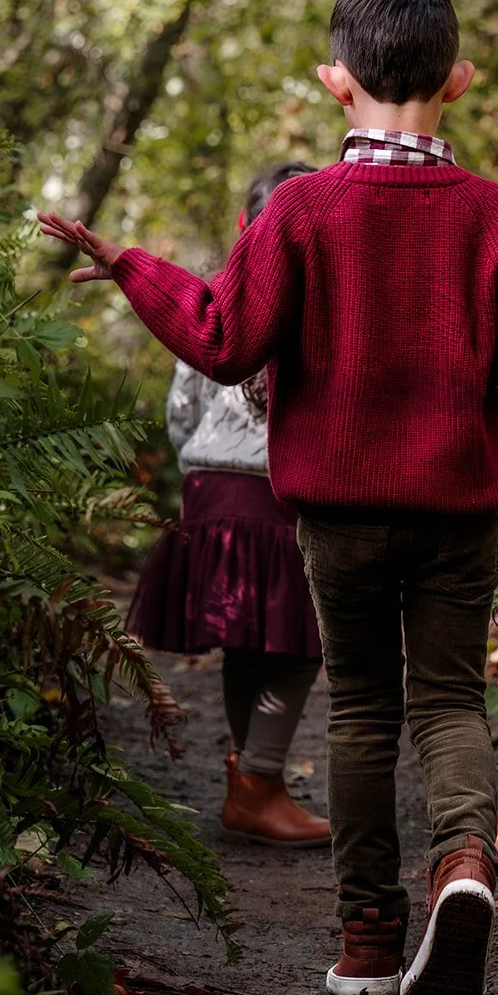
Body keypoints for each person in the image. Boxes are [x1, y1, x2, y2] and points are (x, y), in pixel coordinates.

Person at [37, 0, 498, 995]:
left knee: (367, 705)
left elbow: (221, 336)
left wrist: (130, 263)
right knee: (447, 701)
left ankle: (369, 936)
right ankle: (464, 862)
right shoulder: (490, 213)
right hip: (460, 511)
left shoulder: (299, 209)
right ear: (457, 81)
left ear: (335, 81)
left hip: (337, 514)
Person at [125, 163, 330, 849]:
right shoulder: (329, 302)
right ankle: (260, 781)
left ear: (245, 227)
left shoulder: (216, 294)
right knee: (302, 642)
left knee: (250, 640)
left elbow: (182, 406)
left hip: (207, 487)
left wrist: (199, 464)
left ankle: (252, 788)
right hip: (272, 489)